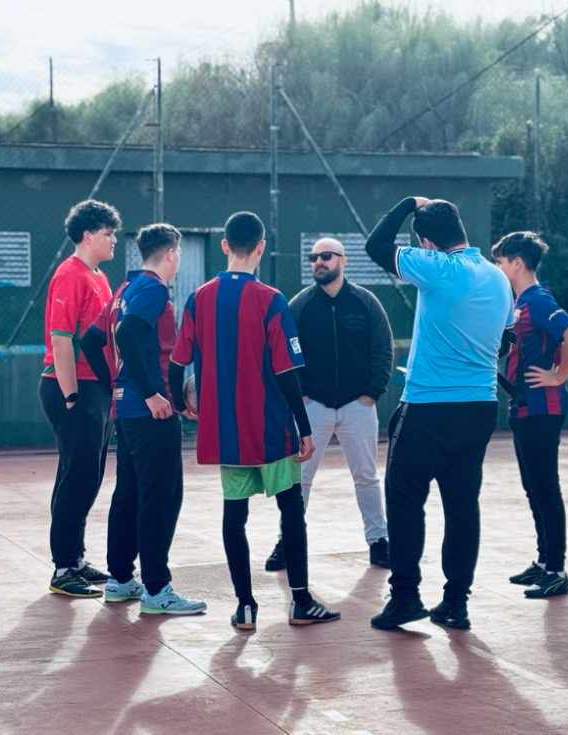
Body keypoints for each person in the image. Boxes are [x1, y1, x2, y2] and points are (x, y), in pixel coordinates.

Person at [168, 211, 341, 631]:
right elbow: (287, 372)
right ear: (261, 247)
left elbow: (176, 362)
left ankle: (245, 606)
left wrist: (180, 404)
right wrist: (302, 426)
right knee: (290, 510)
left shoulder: (199, 298)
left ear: (225, 246)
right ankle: (299, 602)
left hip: (227, 430)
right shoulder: (271, 299)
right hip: (271, 428)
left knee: (234, 514)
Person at [364, 197, 514, 631]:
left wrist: (407, 204)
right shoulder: (498, 278)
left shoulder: (436, 268)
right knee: (463, 504)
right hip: (479, 407)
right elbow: (505, 340)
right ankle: (455, 602)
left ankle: (406, 596)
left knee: (406, 501)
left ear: (427, 243)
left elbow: (377, 246)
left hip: (428, 407)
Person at [264, 237, 393, 572]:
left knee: (366, 476)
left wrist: (373, 392)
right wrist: (301, 392)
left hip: (358, 405)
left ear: (342, 260)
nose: (318, 262)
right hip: (313, 406)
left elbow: (383, 348)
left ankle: (379, 542)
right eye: (313, 257)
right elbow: (284, 351)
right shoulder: (300, 305)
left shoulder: (366, 302)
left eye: (325, 256)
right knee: (300, 478)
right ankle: (287, 541)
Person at [104, 224, 205, 614]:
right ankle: (157, 589)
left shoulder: (122, 291)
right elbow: (128, 333)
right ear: (171, 254)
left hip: (126, 409)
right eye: (177, 255)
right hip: (148, 412)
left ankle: (120, 579)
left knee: (129, 493)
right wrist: (150, 392)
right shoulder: (152, 289)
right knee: (161, 497)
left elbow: (99, 341)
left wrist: (121, 385)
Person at [492, 231, 568, 599]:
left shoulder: (538, 300)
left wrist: (559, 375)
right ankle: (545, 563)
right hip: (525, 406)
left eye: (500, 262)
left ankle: (557, 570)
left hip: (542, 408)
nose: (498, 268)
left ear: (517, 263)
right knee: (534, 488)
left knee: (546, 488)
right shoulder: (520, 305)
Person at [39, 199, 119, 598]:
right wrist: (71, 395)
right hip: (72, 387)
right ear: (88, 235)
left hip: (95, 389)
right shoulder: (70, 275)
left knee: (87, 475)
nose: (114, 240)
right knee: (77, 476)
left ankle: (76, 559)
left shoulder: (99, 277)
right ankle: (62, 567)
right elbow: (61, 339)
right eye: (108, 234)